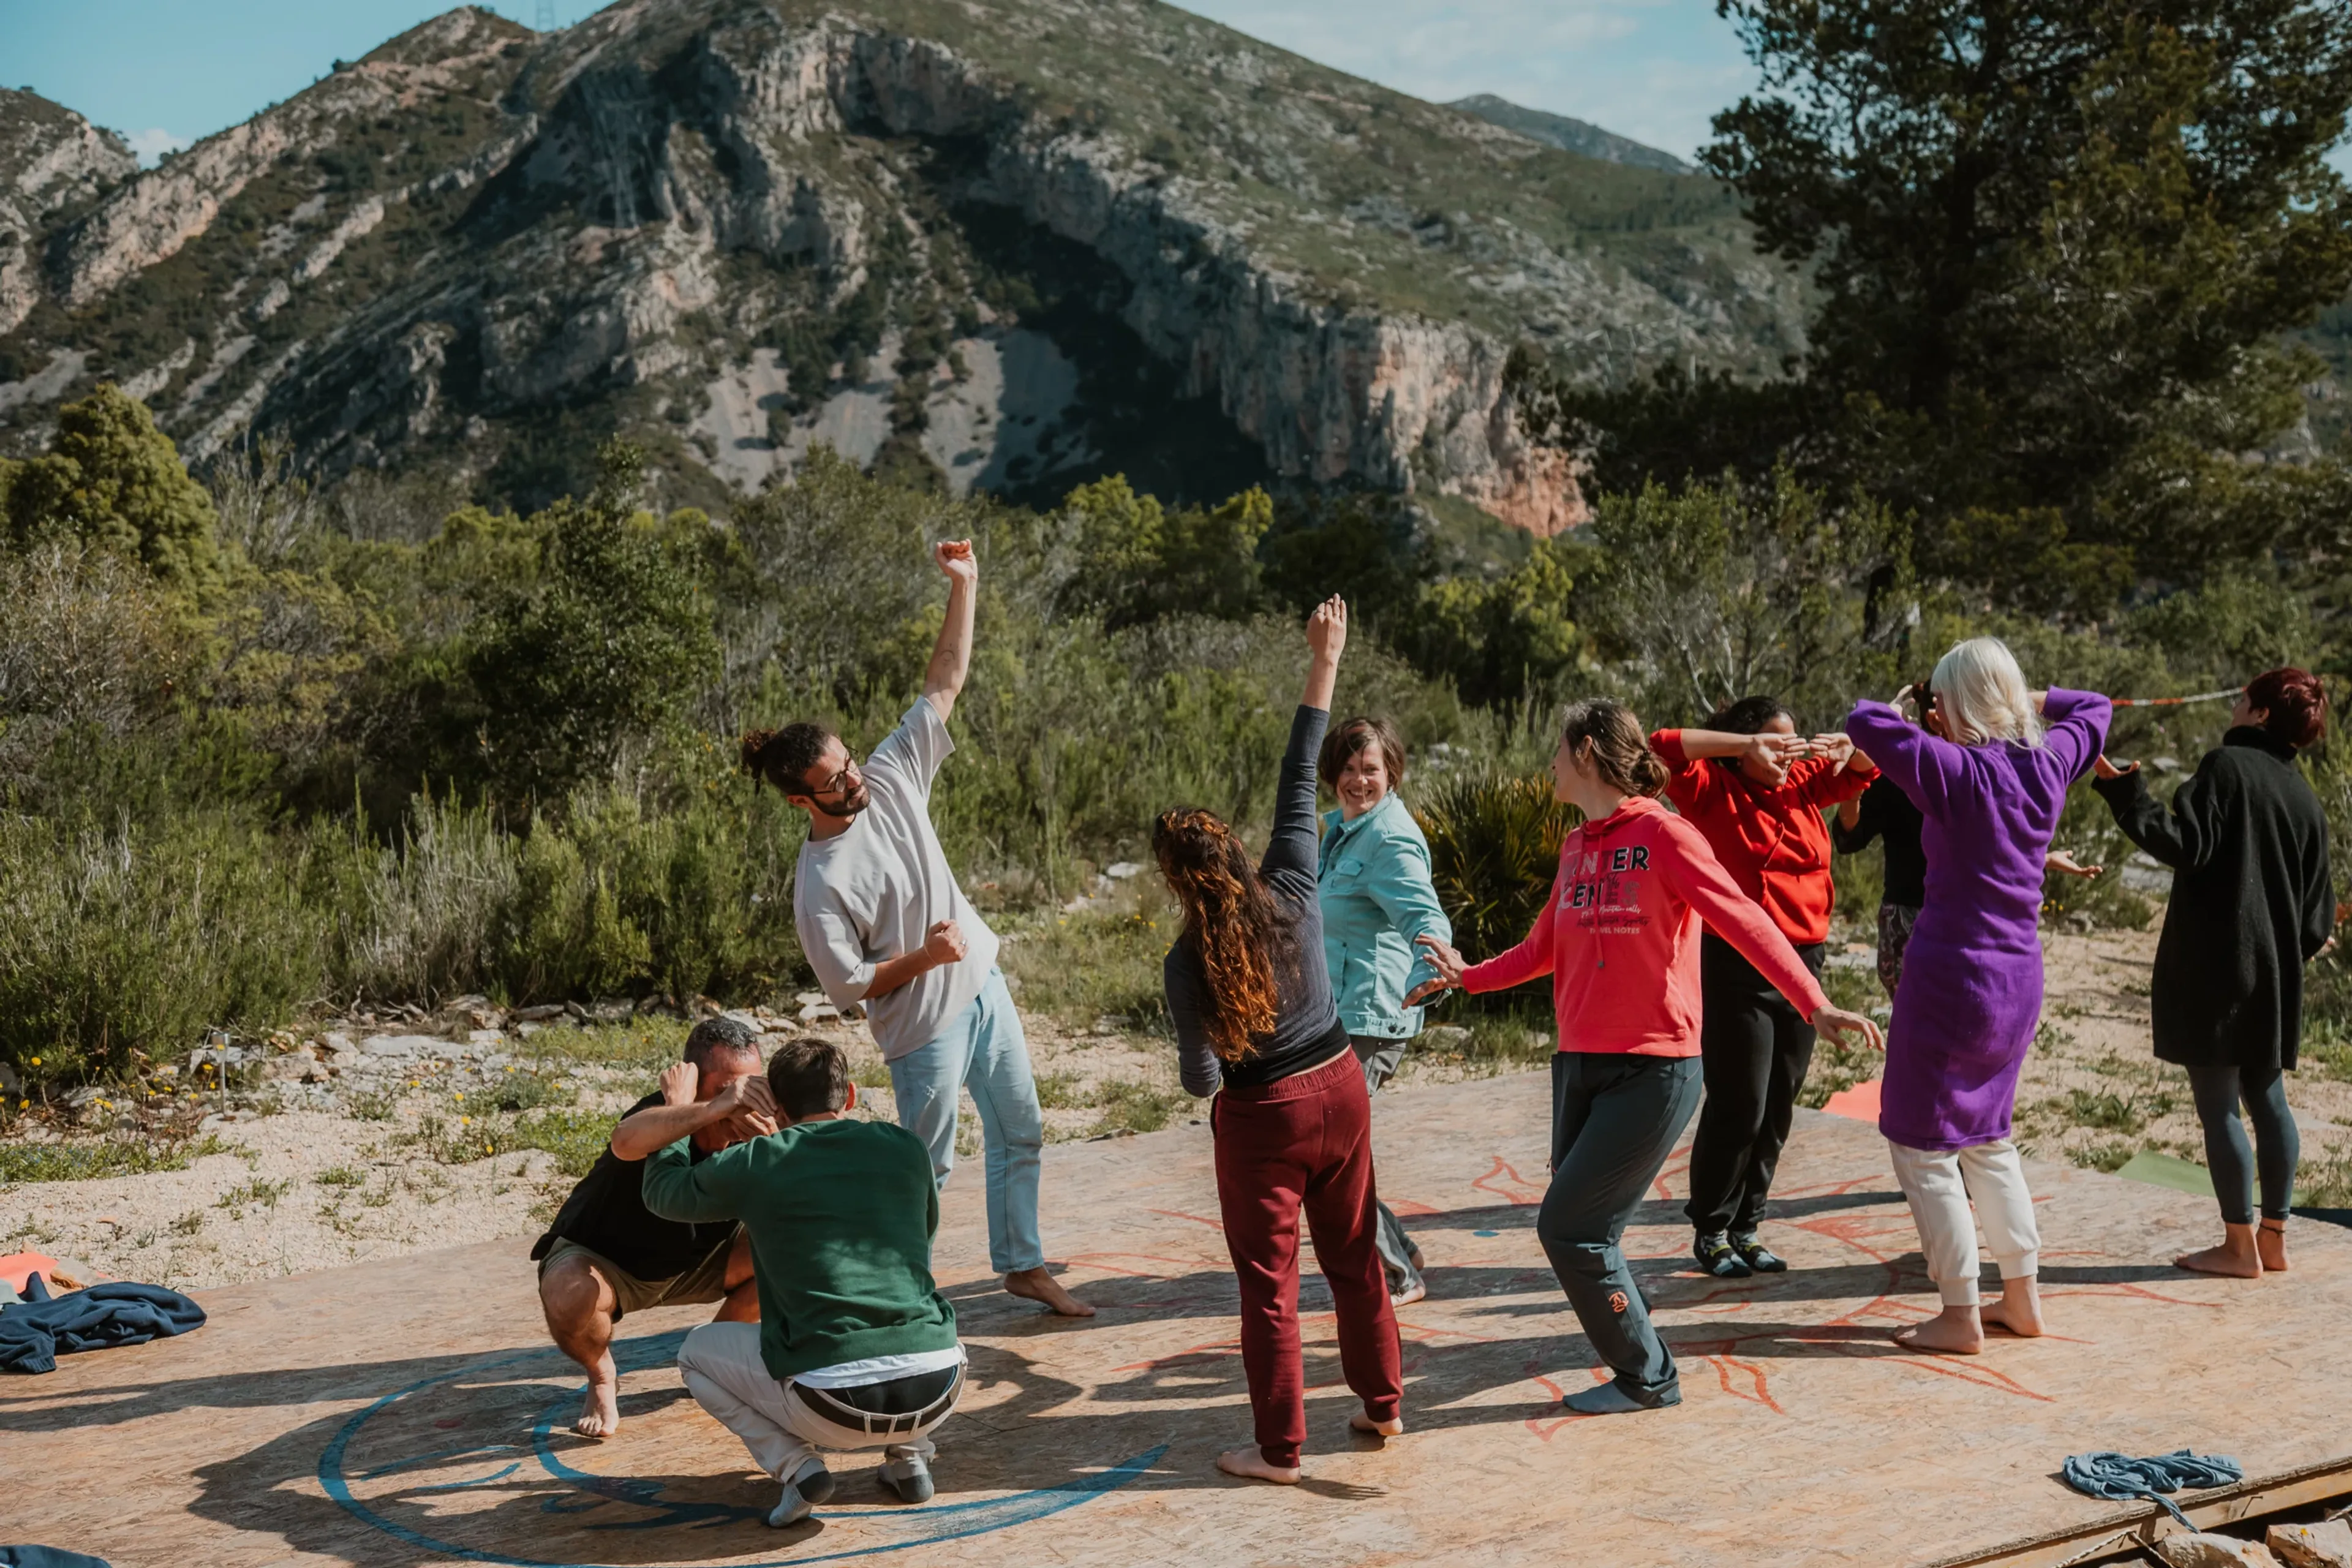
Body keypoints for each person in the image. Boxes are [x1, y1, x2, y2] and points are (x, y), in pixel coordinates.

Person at [1408, 700, 1882, 1415]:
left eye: (1560, 751)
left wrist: (1814, 1001)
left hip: (1654, 1069)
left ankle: (1649, 1375)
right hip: (1580, 1066)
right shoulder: (1577, 847)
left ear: (1589, 753)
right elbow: (1543, 950)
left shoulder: (1667, 834)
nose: (1551, 764)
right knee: (1587, 1230)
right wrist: (1466, 975)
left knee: (1571, 1228)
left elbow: (1745, 918)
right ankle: (1636, 1352)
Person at [742, 540, 1091, 1319]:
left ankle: (1023, 1264)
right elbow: (851, 988)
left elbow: (946, 679)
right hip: (921, 1026)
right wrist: (925, 955)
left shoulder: (891, 773)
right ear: (802, 801)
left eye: (847, 763)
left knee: (1021, 1129)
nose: (852, 779)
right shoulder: (819, 885)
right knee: (927, 1168)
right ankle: (900, 1291)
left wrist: (965, 586)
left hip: (983, 985)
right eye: (834, 780)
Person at [1159, 596, 1404, 1484]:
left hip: (1264, 1116)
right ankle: (1382, 1408)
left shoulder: (1184, 965)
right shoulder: (1297, 879)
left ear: (1177, 883)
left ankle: (1279, 1452)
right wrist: (1324, 659)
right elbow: (1301, 770)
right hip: (1342, 1083)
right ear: (1231, 849)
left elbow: (1197, 1083)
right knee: (1354, 1258)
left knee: (1270, 1291)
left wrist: (1224, 1052)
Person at [1844, 638, 2109, 1355]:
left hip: (1949, 977)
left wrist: (1915, 709)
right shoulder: (2049, 763)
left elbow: (1865, 721)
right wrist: (2030, 702)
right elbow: (2096, 707)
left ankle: (1958, 1313)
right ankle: (2021, 1297)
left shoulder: (1955, 769)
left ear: (1952, 703)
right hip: (2018, 977)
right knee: (1989, 1139)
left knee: (1921, 1145)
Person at [649, 1037, 963, 1526]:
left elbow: (662, 1194)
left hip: (830, 1405)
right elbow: (922, 1240)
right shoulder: (906, 1148)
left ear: (774, 1104)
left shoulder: (761, 1160)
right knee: (901, 1307)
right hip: (941, 1384)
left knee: (695, 1354)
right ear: (851, 1096)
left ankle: (798, 1467)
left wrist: (678, 1113)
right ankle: (910, 1458)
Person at [2091, 668, 2334, 1278]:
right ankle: (2274, 1235)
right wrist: (2276, 954)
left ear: (2257, 713)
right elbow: (2316, 923)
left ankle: (2236, 1246)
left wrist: (2128, 793)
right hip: (2274, 977)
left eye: (2241, 696)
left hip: (2215, 971)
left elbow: (2186, 845)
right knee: (2269, 1098)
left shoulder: (2225, 767)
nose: (2232, 702)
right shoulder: (2306, 799)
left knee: (2220, 1106)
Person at [1649, 697, 1877, 1278]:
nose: (1784, 755)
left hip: (1804, 965)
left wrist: (1849, 747)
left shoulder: (1800, 782)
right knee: (1740, 1101)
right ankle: (1711, 1227)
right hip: (1736, 963)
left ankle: (1748, 1226)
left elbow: (1875, 762)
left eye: (1790, 743)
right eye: (1771, 745)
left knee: (1780, 1101)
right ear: (1742, 747)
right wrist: (1741, 747)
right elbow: (1661, 744)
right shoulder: (1710, 790)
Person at [532, 1016, 778, 1438]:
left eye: (750, 1088)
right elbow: (625, 1141)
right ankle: (602, 1374)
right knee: (568, 1293)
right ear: (694, 1082)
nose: (742, 1103)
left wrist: (779, 1148)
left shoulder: (761, 1127)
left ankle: (707, 1357)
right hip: (610, 1266)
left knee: (793, 1248)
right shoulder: (657, 1115)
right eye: (728, 1090)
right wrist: (704, 1109)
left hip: (704, 1264)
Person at [1835, 680, 2102, 999]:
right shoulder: (1905, 770)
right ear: (1932, 717)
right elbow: (1850, 838)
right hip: (1911, 914)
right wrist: (1853, 791)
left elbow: (1982, 845)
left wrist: (2039, 859)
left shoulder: (1984, 772)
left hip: (1964, 916)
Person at [1316, 714, 1452, 1306]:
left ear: (1391, 771)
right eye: (1348, 767)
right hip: (1338, 1015)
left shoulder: (1390, 838)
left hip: (1371, 1018)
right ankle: (1400, 1247)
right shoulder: (1341, 829)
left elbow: (1426, 916)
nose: (1358, 779)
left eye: (1370, 768)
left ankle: (1397, 1274)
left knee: (1331, 1159)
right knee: (1339, 1154)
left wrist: (1433, 970)